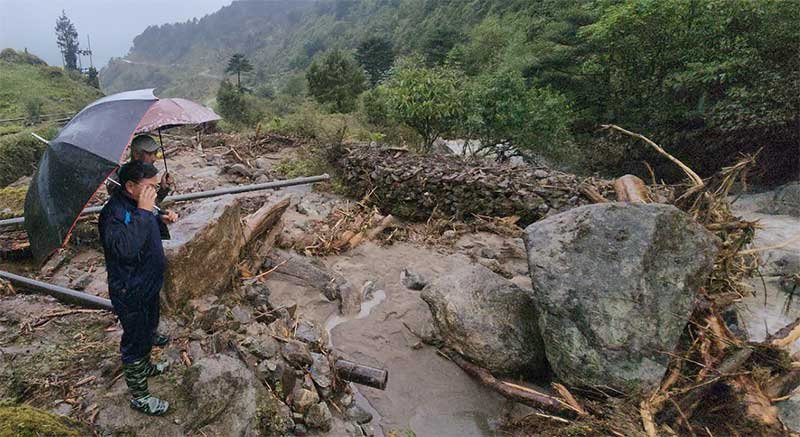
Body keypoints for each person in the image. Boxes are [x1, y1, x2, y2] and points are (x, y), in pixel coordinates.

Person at [99, 161, 178, 416]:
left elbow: (147, 226)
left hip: (148, 284)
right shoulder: (112, 214)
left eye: (156, 187)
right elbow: (125, 249)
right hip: (129, 290)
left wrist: (160, 216)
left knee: (149, 328)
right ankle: (139, 396)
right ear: (130, 186)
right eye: (150, 188)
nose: (153, 193)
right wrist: (146, 213)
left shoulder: (139, 204)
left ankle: (145, 367)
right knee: (136, 340)